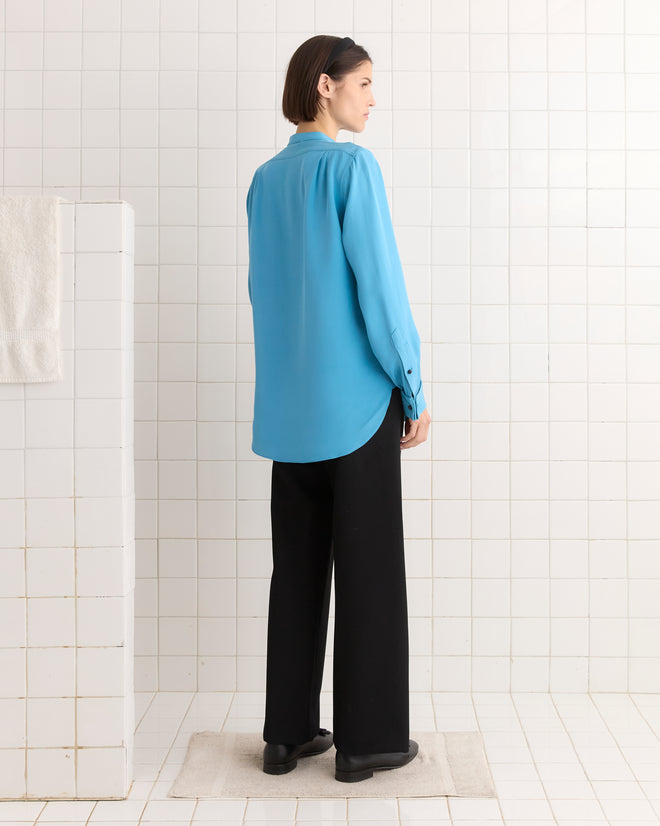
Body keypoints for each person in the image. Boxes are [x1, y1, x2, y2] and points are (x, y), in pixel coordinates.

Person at [245, 34, 431, 783]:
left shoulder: (264, 180)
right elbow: (379, 292)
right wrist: (411, 386)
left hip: (288, 413)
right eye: (365, 83)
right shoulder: (352, 168)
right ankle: (368, 743)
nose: (373, 98)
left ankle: (285, 736)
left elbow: (266, 294)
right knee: (370, 576)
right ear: (325, 86)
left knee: (295, 575)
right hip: (355, 410)